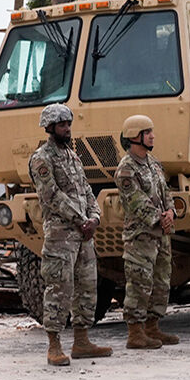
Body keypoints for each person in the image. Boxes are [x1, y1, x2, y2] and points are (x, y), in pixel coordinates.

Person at [28, 103, 113, 366]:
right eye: (62, 125)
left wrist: (95, 217)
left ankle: (82, 341)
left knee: (87, 286)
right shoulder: (42, 158)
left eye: (69, 124)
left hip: (83, 233)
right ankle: (54, 345)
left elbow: (87, 191)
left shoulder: (73, 157)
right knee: (59, 287)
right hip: (61, 235)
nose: (67, 129)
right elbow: (51, 195)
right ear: (50, 128)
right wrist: (80, 220)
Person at [114, 114, 180, 349]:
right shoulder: (126, 169)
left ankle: (152, 328)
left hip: (161, 235)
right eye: (147, 132)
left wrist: (171, 211)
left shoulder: (153, 163)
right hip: (141, 237)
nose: (153, 136)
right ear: (135, 136)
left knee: (161, 281)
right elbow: (135, 201)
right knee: (139, 283)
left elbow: (166, 192)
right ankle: (135, 333)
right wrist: (159, 218)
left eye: (152, 131)